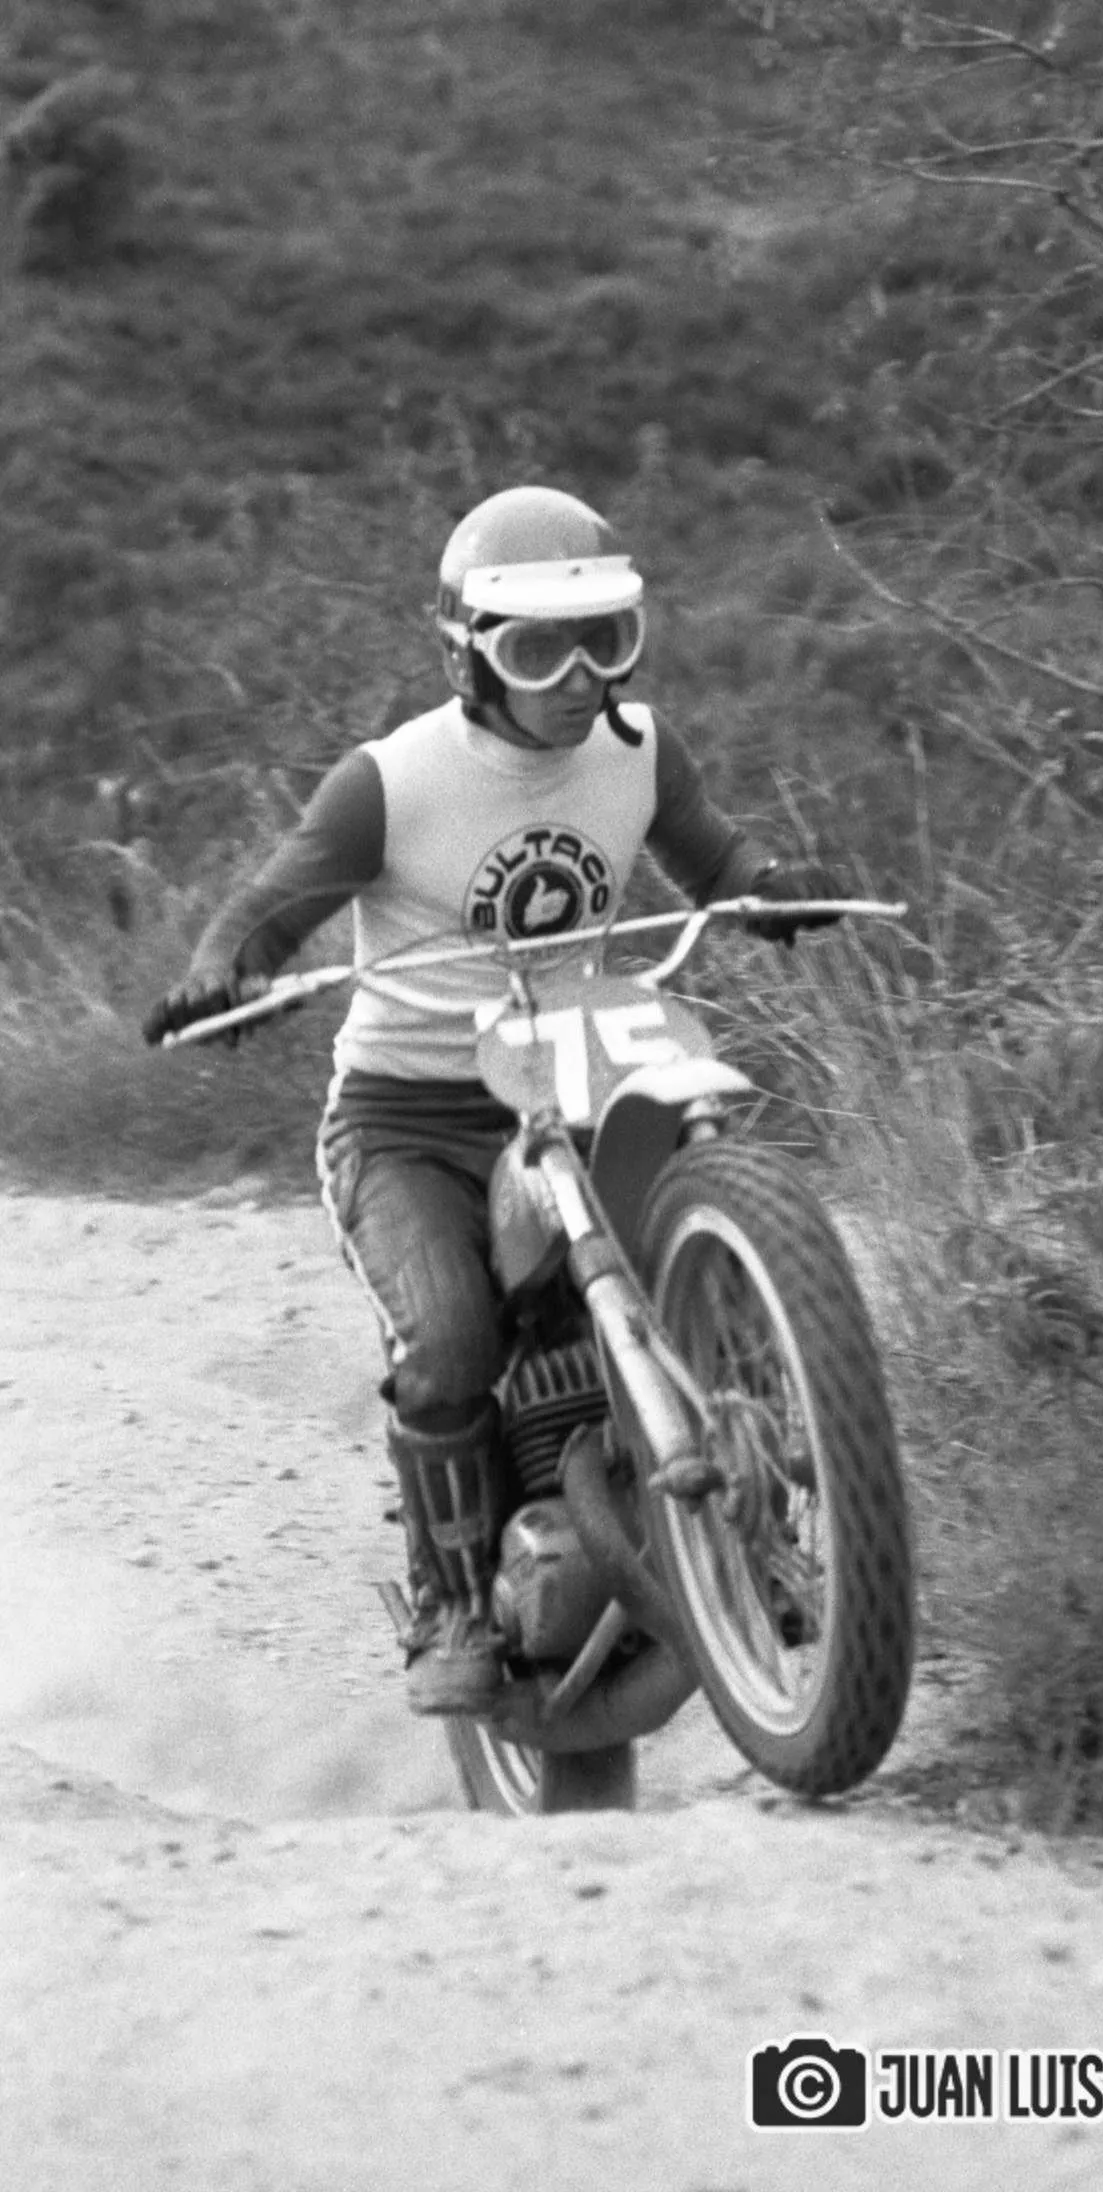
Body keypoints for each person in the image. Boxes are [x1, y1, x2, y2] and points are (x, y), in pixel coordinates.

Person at [142, 485, 840, 1714]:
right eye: (536, 650)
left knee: (704, 1271)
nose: (578, 678)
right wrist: (223, 972)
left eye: (604, 640)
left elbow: (715, 859)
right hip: (405, 1122)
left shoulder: (639, 752)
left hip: (574, 1089)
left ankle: (765, 1526)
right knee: (453, 1339)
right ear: (469, 655)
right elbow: (265, 910)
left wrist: (770, 889)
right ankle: (454, 1597)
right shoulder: (391, 781)